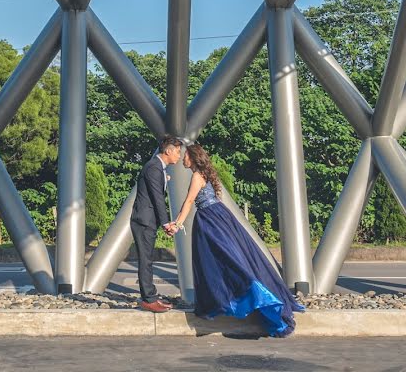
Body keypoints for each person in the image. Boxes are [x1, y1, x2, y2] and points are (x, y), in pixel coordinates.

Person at [167, 143, 304, 337]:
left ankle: (255, 293)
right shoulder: (204, 174)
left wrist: (176, 224)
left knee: (222, 259)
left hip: (210, 220)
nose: (183, 158)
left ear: (194, 157)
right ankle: (242, 294)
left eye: (186, 155)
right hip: (218, 216)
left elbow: (189, 201)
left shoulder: (197, 176)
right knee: (227, 257)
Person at [130, 135, 184, 313]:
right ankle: (148, 300)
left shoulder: (157, 168)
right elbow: (157, 198)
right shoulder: (154, 167)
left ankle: (151, 296)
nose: (179, 155)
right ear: (168, 151)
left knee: (148, 259)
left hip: (146, 219)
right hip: (144, 220)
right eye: (177, 152)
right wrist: (166, 223)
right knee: (146, 260)